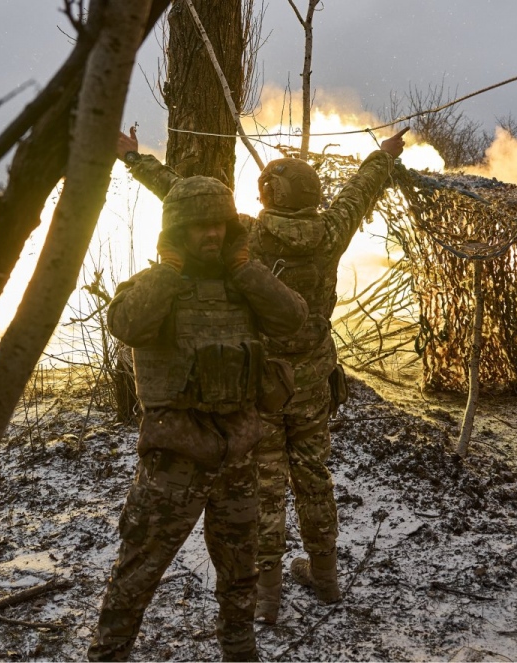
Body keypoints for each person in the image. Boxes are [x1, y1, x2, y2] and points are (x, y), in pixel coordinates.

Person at [115, 125, 407, 624]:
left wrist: (136, 160)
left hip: (263, 385)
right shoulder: (332, 231)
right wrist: (382, 156)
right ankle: (326, 575)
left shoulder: (246, 231)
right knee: (315, 476)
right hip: (314, 381)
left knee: (267, 483)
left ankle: (268, 595)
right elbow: (361, 190)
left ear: (271, 196)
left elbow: (183, 196)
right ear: (312, 196)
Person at [88, 176, 308, 662]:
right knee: (139, 569)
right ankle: (108, 654)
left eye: (218, 225)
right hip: (176, 460)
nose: (210, 234)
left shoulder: (245, 284)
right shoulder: (156, 286)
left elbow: (293, 318)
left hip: (238, 454)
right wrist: (168, 271)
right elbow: (126, 324)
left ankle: (239, 649)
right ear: (177, 231)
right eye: (198, 226)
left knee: (240, 568)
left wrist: (247, 271)